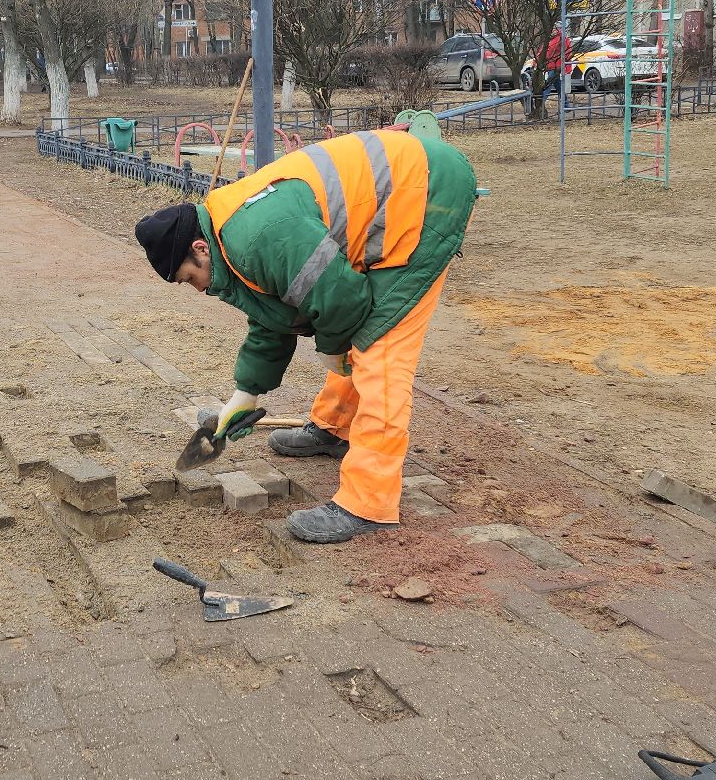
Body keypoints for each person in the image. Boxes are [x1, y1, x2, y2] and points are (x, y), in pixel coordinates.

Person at [134, 130, 477, 544]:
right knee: (353, 329)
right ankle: (334, 429)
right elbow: (276, 311)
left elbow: (342, 301)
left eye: (191, 278)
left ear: (199, 249)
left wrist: (333, 349)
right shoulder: (229, 240)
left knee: (377, 348)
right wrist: (247, 394)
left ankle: (367, 502)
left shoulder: (260, 236)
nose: (199, 289)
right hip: (393, 195)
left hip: (423, 194)